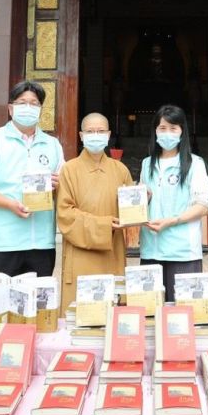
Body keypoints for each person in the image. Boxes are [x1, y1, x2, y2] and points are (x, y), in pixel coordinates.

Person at [0, 81, 64, 277]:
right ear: (10, 109)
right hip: (2, 242)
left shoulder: (52, 145)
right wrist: (9, 204)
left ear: (41, 110)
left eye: (34, 104)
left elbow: (66, 188)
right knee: (1, 306)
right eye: (21, 102)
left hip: (42, 242)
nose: (28, 108)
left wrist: (59, 185)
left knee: (38, 306)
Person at [55, 112, 135, 308]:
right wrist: (104, 225)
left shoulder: (120, 170)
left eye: (100, 131)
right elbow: (65, 214)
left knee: (112, 309)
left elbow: (131, 210)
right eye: (90, 131)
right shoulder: (69, 169)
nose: (96, 135)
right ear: (81, 136)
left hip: (112, 250)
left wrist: (140, 201)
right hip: (80, 251)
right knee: (81, 312)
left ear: (108, 135)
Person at [138, 105, 208, 302]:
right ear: (155, 131)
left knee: (183, 312)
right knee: (150, 310)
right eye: (162, 128)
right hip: (151, 248)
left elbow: (203, 206)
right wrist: (140, 198)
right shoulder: (147, 164)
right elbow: (142, 200)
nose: (167, 133)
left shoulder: (194, 163)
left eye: (173, 128)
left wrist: (172, 220)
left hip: (183, 251)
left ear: (182, 132)